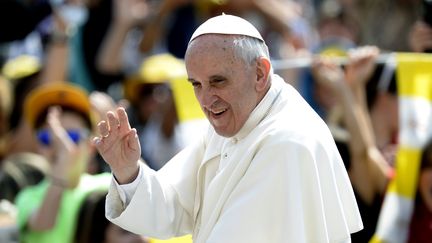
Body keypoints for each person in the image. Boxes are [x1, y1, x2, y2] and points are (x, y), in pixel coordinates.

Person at [94, 14, 363, 242]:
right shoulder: (238, 119)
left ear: (259, 73)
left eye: (218, 81)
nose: (206, 100)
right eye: (196, 85)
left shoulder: (287, 141)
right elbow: (174, 207)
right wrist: (127, 170)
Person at [15, 83, 111, 243]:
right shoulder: (27, 196)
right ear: (37, 146)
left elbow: (152, 199)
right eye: (46, 138)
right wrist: (63, 162)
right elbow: (43, 224)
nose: (59, 146)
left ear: (91, 144)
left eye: (71, 137)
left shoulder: (107, 185)